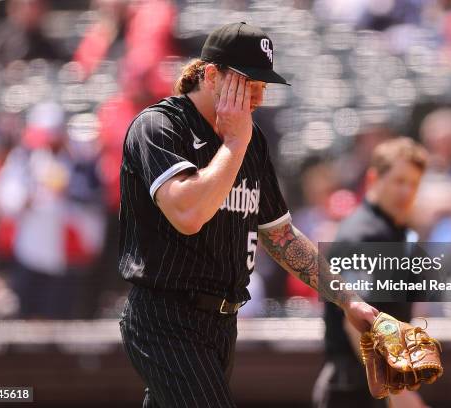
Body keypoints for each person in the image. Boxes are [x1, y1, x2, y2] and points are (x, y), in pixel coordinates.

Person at [117, 22, 379, 408]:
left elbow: (281, 236)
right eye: (247, 81)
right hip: (165, 317)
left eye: (263, 84)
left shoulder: (249, 140)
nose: (258, 94)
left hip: (222, 322)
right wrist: (235, 143)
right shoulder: (159, 126)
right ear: (211, 75)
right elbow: (188, 212)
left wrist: (347, 300)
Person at [313, 137, 429, 408]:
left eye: (414, 183)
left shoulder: (395, 233)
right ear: (374, 178)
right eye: (399, 181)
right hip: (352, 391)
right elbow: (355, 322)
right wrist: (398, 392)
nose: (407, 191)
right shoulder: (363, 235)